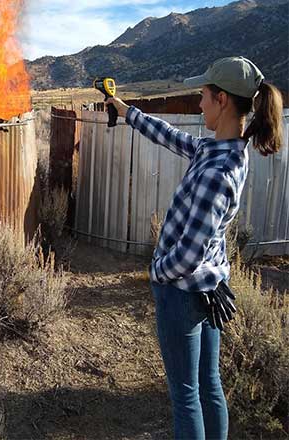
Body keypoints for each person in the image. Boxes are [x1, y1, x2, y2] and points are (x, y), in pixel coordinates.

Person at [107, 56, 285, 440]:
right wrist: (125, 111)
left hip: (183, 295)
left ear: (221, 100)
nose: (198, 103)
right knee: (208, 385)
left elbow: (187, 256)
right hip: (208, 287)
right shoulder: (222, 150)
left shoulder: (218, 173)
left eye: (203, 96)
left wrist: (157, 272)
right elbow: (173, 137)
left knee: (186, 395)